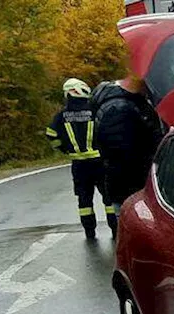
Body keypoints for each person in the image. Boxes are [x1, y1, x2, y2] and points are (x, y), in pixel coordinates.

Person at [91, 75, 164, 228]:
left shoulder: (133, 102)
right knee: (134, 239)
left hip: (132, 188)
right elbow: (124, 157)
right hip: (131, 190)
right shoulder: (119, 108)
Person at [46, 78, 114, 240]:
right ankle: (115, 230)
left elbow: (51, 135)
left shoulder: (62, 116)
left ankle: (89, 232)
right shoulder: (95, 110)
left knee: (84, 200)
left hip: (79, 165)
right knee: (109, 198)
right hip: (100, 162)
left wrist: (63, 148)